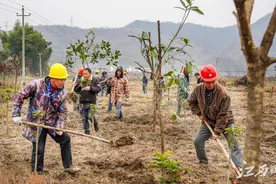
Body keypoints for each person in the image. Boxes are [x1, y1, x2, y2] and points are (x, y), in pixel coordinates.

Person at [12, 63, 80, 175]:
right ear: (53, 79)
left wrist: (60, 127)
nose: (63, 82)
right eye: (61, 80)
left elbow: (62, 112)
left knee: (65, 139)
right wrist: (16, 114)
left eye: (64, 79)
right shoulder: (36, 85)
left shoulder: (62, 93)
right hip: (36, 122)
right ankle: (37, 173)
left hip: (52, 122)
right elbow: (19, 96)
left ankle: (68, 166)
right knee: (39, 148)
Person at [188, 64, 243, 170]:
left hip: (226, 121)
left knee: (233, 143)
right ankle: (203, 162)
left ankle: (239, 168)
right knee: (197, 141)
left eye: (213, 81)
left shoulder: (223, 94)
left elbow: (224, 115)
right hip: (208, 120)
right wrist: (199, 113)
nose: (211, 84)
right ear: (202, 80)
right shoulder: (198, 89)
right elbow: (191, 102)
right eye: (208, 82)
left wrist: (217, 132)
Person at [74, 68, 101, 134]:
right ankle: (87, 131)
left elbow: (98, 89)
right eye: (83, 74)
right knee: (84, 118)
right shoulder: (81, 80)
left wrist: (90, 88)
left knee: (90, 116)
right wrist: (75, 86)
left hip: (91, 102)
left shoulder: (94, 80)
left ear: (90, 73)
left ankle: (95, 123)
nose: (84, 75)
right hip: (82, 102)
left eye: (86, 74)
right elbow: (77, 91)